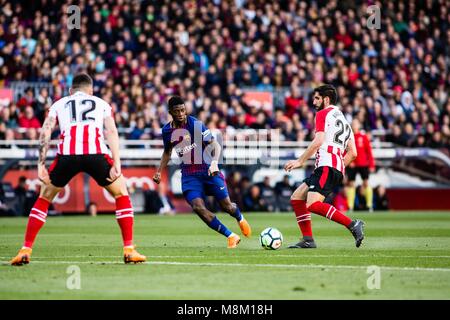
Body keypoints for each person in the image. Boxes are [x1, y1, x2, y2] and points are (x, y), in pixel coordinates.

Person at [10, 73, 146, 266]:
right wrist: (117, 162)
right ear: (90, 91)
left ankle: (25, 249)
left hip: (67, 156)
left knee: (44, 198)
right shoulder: (101, 103)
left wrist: (40, 164)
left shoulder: (59, 104)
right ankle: (129, 249)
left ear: (70, 90)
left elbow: (46, 130)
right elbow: (112, 131)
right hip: (96, 154)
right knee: (121, 193)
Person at [152, 95, 251, 248]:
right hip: (189, 176)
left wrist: (214, 163)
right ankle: (231, 236)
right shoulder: (167, 131)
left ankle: (239, 216)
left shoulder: (195, 124)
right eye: (177, 111)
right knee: (198, 207)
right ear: (170, 112)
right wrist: (159, 171)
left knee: (227, 206)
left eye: (183, 110)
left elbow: (215, 145)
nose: (181, 114)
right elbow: (167, 151)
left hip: (208, 170)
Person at [284, 84, 365, 249]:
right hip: (334, 167)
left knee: (312, 204)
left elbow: (318, 141)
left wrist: (300, 161)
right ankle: (308, 239)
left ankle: (352, 224)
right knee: (297, 197)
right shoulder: (344, 121)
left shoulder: (322, 114)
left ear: (326, 100)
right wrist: (339, 166)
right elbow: (353, 153)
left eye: (317, 98)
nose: (314, 102)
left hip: (326, 166)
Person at [345, 118, 375, 211]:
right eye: (353, 124)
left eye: (355, 124)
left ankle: (369, 206)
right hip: (352, 164)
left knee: (366, 183)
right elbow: (344, 150)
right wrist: (348, 161)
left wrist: (371, 165)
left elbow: (369, 151)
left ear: (359, 125)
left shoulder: (363, 136)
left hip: (363, 164)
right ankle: (350, 207)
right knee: (351, 184)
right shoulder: (348, 137)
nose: (354, 125)